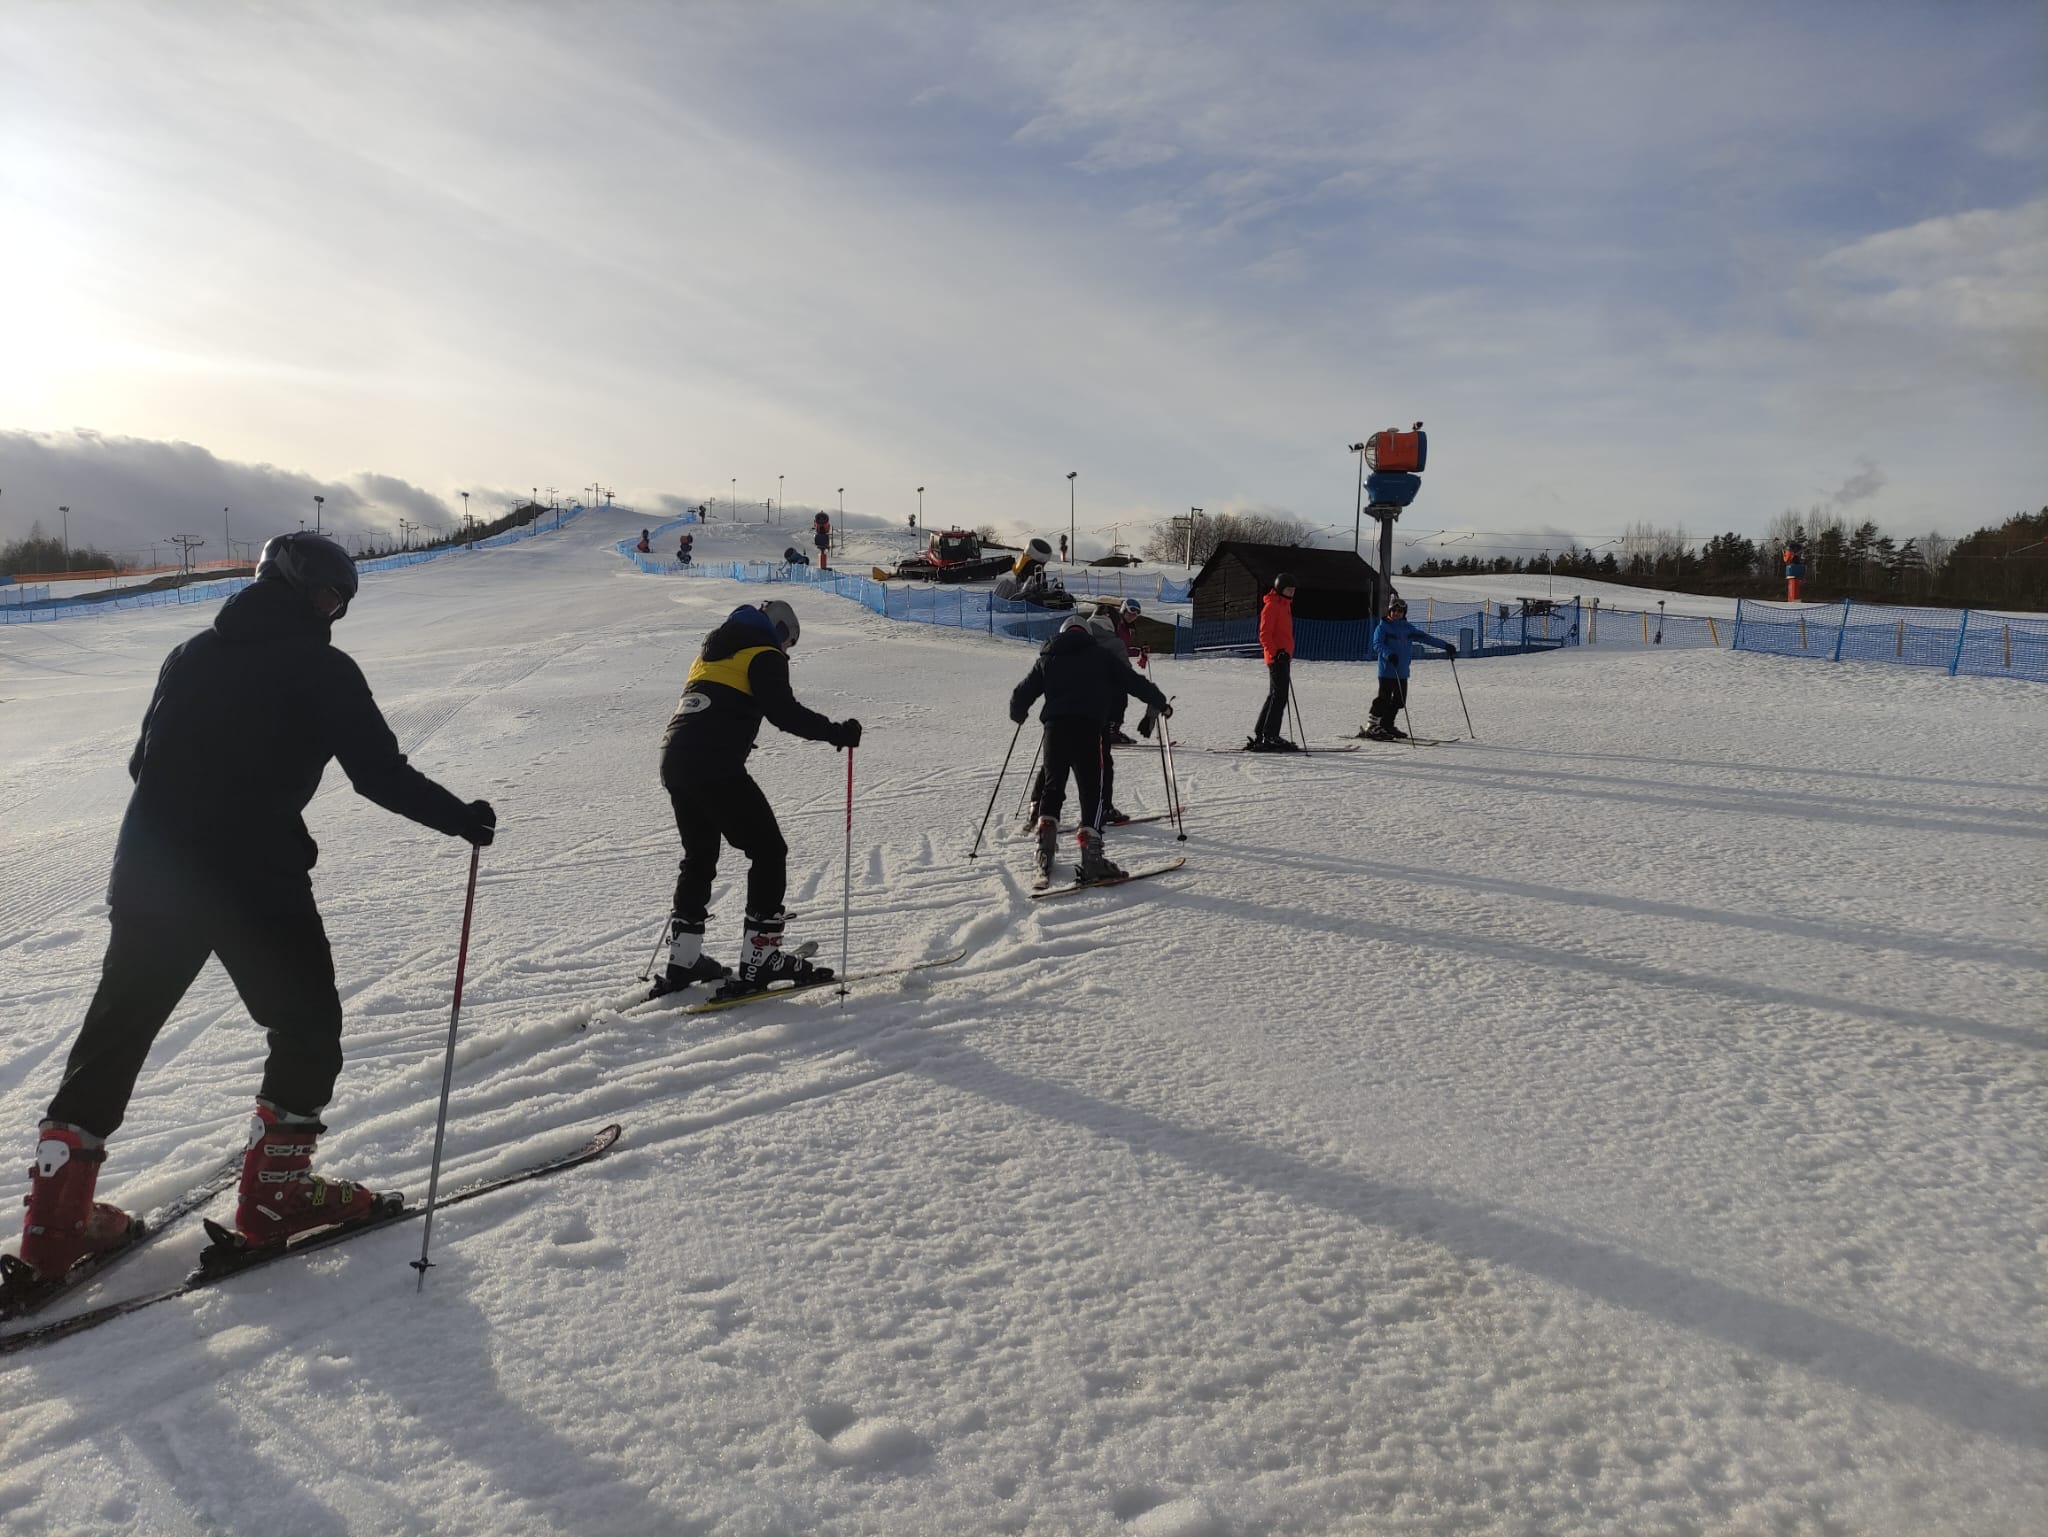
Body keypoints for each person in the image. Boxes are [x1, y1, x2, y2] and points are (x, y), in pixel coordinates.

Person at [13, 533, 498, 1285]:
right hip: (251, 878)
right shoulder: (323, 665)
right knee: (307, 1027)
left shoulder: (189, 654)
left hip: (149, 871)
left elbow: (144, 761)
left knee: (115, 1035)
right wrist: (460, 817)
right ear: (305, 591)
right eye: (331, 598)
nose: (334, 613)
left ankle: (53, 1226)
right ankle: (276, 1197)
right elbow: (376, 774)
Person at [657, 600, 862, 998]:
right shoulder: (763, 652)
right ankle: (761, 959)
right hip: (713, 763)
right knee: (768, 850)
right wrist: (837, 732)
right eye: (789, 641)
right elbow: (784, 713)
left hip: (674, 761)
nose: (786, 650)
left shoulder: (710, 654)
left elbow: (714, 708)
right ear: (780, 629)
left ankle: (683, 959)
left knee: (700, 856)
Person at [1010, 614, 1169, 887]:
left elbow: (1022, 694)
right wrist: (1160, 702)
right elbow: (1132, 681)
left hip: (1055, 731)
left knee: (1052, 787)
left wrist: (1019, 713)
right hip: (1088, 729)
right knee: (1091, 792)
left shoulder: (1048, 657)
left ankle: (1044, 851)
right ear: (1086, 634)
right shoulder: (1101, 656)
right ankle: (1092, 859)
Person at [1363, 595, 1455, 740]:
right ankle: (1372, 726)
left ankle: (1387, 725)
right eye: (1394, 610)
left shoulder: (1408, 628)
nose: (1397, 613)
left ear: (1404, 613)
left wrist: (1445, 646)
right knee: (1383, 699)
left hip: (1402, 671)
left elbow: (1426, 638)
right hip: (1387, 670)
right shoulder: (1383, 627)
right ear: (1389, 611)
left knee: (1399, 701)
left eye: (1400, 611)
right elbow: (1377, 644)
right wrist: (1389, 654)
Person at [1247, 573, 1298, 751]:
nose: (1291, 593)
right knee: (1279, 696)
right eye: (1288, 589)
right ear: (1279, 589)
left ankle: (1262, 732)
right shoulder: (1272, 606)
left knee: (1275, 695)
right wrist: (1276, 653)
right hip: (1277, 658)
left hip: (1283, 658)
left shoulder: (1284, 606)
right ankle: (1270, 735)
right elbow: (1264, 634)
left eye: (1293, 590)